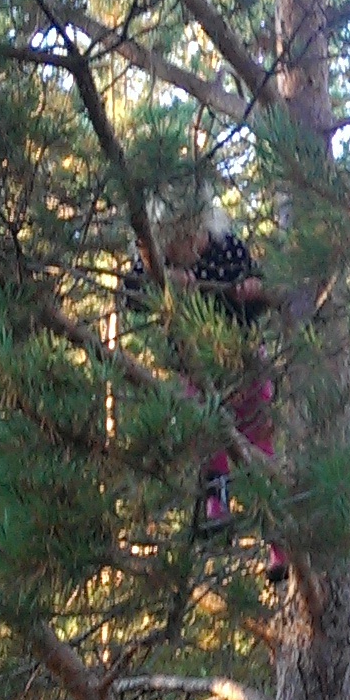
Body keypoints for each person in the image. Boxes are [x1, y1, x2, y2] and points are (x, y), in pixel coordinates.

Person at [126, 202, 287, 575]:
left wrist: (252, 290)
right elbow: (131, 294)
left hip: (243, 358)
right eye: (179, 240)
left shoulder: (227, 248)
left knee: (259, 441)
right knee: (208, 430)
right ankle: (217, 502)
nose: (190, 246)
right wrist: (164, 279)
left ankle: (277, 541)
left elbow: (259, 291)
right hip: (197, 367)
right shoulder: (156, 262)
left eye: (194, 236)